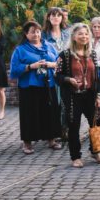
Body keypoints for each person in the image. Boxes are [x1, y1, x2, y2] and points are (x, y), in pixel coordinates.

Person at [56, 23, 100, 167]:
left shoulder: (92, 54)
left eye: (86, 34)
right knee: (74, 126)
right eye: (80, 34)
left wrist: (98, 96)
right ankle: (75, 157)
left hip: (90, 94)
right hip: (73, 96)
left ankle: (95, 151)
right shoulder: (64, 55)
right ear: (74, 37)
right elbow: (56, 76)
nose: (84, 37)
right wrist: (68, 79)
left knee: (97, 124)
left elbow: (96, 77)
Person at [9, 20, 61, 155]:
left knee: (50, 112)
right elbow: (13, 70)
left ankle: (51, 139)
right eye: (32, 32)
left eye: (38, 31)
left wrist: (51, 64)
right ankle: (27, 142)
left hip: (48, 84)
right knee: (30, 114)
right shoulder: (20, 50)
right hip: (29, 86)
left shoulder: (49, 46)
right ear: (26, 34)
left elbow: (59, 63)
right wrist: (30, 66)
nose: (36, 34)